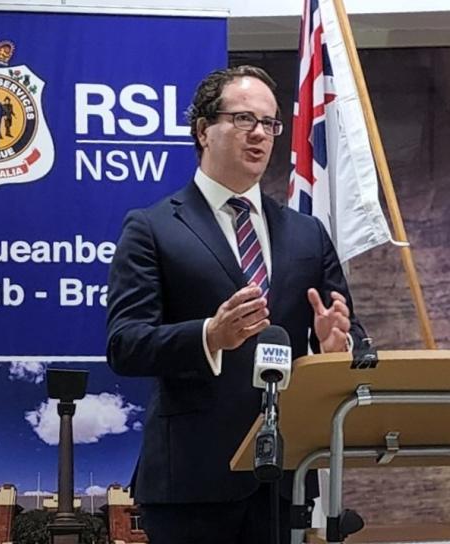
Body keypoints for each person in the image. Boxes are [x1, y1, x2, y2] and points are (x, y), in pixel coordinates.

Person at [106, 65, 365, 544]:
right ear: (204, 130)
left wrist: (337, 343)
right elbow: (125, 344)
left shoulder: (306, 233)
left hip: (284, 475)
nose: (260, 135)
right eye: (244, 119)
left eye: (269, 124)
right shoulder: (152, 228)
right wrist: (210, 335)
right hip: (192, 479)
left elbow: (349, 331)